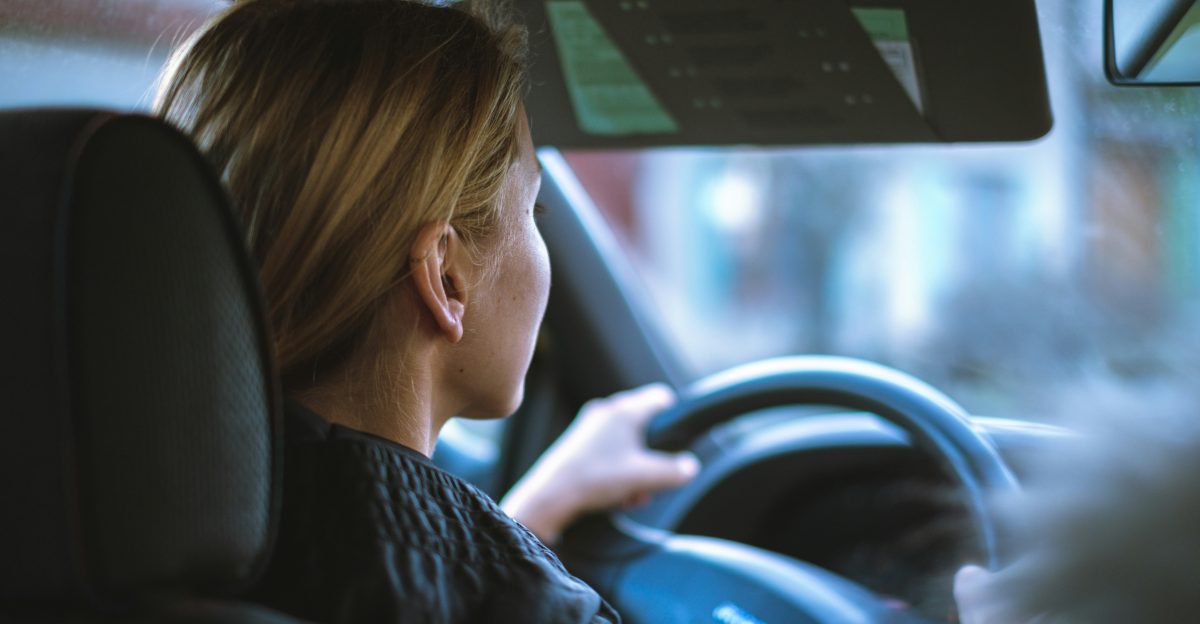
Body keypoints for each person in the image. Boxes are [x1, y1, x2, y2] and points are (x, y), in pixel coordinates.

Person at [155, 0, 697, 622]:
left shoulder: (121, 525)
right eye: (534, 212)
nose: (540, 236)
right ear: (444, 276)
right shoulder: (538, 612)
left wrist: (531, 515)